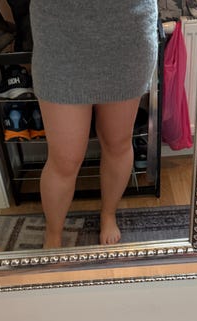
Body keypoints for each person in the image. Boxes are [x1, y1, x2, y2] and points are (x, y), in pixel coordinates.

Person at [30, 1, 158, 248]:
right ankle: (53, 234)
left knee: (118, 143)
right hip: (59, 34)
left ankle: (108, 213)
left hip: (128, 32)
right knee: (64, 159)